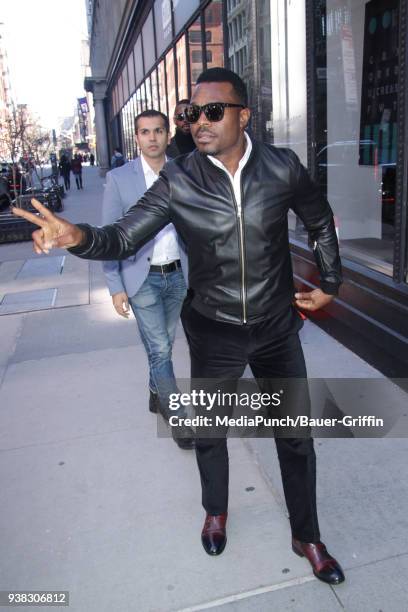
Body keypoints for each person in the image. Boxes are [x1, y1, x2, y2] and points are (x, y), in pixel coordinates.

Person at [13, 68, 344, 585]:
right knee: (210, 431)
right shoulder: (181, 177)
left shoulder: (282, 168)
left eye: (213, 111)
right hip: (213, 329)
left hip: (277, 326)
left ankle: (308, 534)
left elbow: (320, 219)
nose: (198, 123)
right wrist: (75, 235)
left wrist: (332, 280)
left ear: (243, 115)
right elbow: (121, 238)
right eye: (190, 114)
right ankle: (216, 510)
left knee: (296, 437)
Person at [102, 109, 192, 450]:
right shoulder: (119, 179)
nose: (152, 137)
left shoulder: (185, 171)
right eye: (144, 132)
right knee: (160, 349)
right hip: (141, 277)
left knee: (163, 344)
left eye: (158, 131)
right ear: (136, 137)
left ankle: (156, 390)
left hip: (179, 275)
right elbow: (110, 236)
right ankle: (180, 420)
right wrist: (115, 286)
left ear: (168, 135)